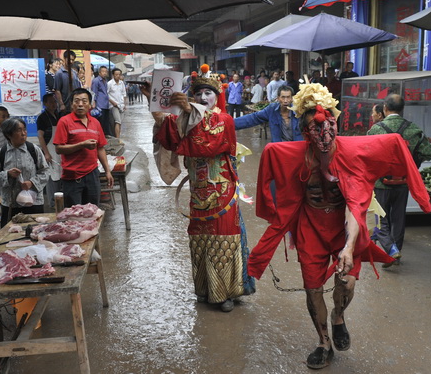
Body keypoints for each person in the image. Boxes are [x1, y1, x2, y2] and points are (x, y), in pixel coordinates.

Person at [247, 83, 431, 369]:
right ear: (305, 131)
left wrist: (348, 247)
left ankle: (338, 316)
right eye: (315, 129)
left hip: (346, 225)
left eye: (328, 127)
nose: (323, 134)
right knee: (312, 289)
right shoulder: (288, 154)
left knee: (345, 282)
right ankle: (323, 341)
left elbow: (357, 202)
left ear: (335, 124)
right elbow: (270, 173)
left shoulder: (352, 153)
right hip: (311, 227)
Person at [140, 70, 255, 313]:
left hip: (222, 191)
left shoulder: (224, 120)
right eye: (198, 93)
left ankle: (225, 293)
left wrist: (188, 110)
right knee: (200, 239)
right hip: (198, 192)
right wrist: (155, 103)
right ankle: (205, 288)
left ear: (217, 96)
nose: (203, 97)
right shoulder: (187, 117)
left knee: (222, 239)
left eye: (208, 93)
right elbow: (169, 134)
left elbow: (205, 145)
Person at [367, 94, 431, 266]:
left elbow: (367, 155)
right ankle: (396, 251)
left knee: (379, 218)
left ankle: (390, 249)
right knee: (398, 219)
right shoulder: (414, 129)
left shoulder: (376, 130)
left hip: (381, 183)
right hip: (403, 182)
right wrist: (411, 162)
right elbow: (428, 153)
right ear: (402, 109)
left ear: (385, 108)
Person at [54, 88, 114, 208]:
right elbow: (59, 148)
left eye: (84, 101)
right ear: (71, 104)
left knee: (92, 212)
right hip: (72, 176)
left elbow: (100, 148)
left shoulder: (95, 123)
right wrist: (82, 145)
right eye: (77, 101)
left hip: (92, 174)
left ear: (90, 105)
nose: (80, 104)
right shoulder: (64, 121)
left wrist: (107, 171)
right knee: (74, 216)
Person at [0, 117, 49, 227]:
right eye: (18, 130)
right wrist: (7, 174)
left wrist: (32, 182)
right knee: (10, 236)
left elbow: (45, 171)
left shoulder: (33, 149)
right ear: (9, 134)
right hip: (11, 204)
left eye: (24, 129)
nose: (23, 133)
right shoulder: (2, 153)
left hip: (33, 202)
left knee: (35, 233)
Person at [235, 85, 303, 142]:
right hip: (279, 148)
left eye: (288, 97)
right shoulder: (272, 109)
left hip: (296, 148)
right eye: (283, 97)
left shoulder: (299, 110)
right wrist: (229, 123)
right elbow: (253, 118)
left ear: (292, 98)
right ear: (278, 98)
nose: (285, 101)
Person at [37, 93, 62, 210]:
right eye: (51, 102)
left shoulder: (57, 115)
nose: (54, 104)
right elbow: (40, 136)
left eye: (55, 102)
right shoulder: (42, 117)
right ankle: (53, 203)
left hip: (58, 150)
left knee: (60, 175)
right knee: (52, 177)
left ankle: (60, 200)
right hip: (49, 150)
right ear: (45, 104)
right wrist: (46, 153)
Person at [107, 68, 128, 138]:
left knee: (120, 123)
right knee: (118, 121)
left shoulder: (122, 83)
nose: (118, 76)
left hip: (121, 105)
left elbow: (124, 94)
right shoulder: (109, 83)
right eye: (116, 74)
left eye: (119, 74)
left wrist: (125, 104)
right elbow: (106, 95)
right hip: (114, 105)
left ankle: (118, 137)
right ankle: (118, 139)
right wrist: (112, 102)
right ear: (113, 75)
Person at [92, 66, 112, 136]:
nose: (104, 73)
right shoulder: (96, 81)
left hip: (105, 104)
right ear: (99, 72)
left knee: (106, 121)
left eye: (106, 72)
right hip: (100, 104)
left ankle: (105, 134)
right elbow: (94, 92)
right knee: (101, 121)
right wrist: (94, 103)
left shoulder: (105, 81)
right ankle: (100, 135)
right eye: (103, 71)